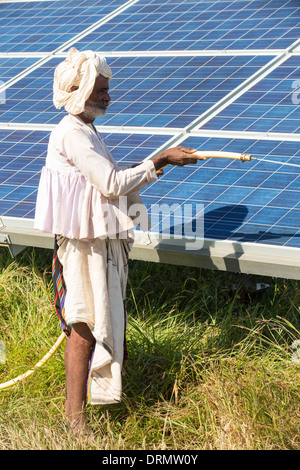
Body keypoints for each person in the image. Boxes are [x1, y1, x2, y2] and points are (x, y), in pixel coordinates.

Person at [34, 47, 200, 440]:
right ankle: (74, 423)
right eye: (101, 90)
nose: (109, 97)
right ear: (80, 91)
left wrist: (151, 167)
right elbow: (110, 183)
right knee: (84, 325)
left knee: (90, 322)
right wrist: (158, 161)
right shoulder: (72, 134)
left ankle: (79, 414)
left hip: (94, 241)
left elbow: (104, 182)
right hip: (83, 246)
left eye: (107, 89)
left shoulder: (86, 130)